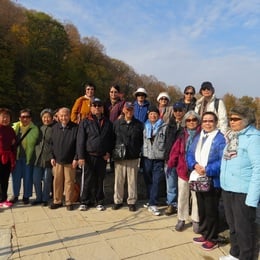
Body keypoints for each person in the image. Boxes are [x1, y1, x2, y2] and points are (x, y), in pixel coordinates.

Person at [220, 106, 260, 260]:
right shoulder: (233, 136)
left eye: (235, 119)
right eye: (230, 118)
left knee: (244, 230)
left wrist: (252, 198)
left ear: (246, 120)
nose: (231, 121)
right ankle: (234, 253)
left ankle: (246, 257)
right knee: (233, 226)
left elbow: (258, 168)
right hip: (228, 188)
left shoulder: (254, 138)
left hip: (243, 192)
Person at [187, 111, 226, 251]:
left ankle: (213, 238)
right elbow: (190, 154)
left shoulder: (220, 139)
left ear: (215, 123)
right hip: (199, 178)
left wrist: (207, 169)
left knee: (211, 210)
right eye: (205, 121)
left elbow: (222, 160)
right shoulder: (199, 136)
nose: (207, 123)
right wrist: (194, 165)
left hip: (212, 180)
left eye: (210, 121)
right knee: (202, 209)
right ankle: (205, 233)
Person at [77, 98, 114, 211]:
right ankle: (84, 201)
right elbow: (80, 140)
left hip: (102, 156)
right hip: (88, 155)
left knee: (100, 179)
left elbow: (111, 139)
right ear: (91, 107)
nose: (97, 108)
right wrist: (81, 156)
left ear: (102, 108)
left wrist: (108, 153)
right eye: (95, 105)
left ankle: (99, 201)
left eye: (99, 105)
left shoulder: (108, 122)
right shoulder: (85, 121)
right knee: (87, 179)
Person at [167, 111, 201, 232]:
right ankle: (181, 218)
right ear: (185, 122)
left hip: (197, 172)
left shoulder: (202, 135)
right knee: (182, 196)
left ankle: (196, 219)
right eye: (188, 120)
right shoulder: (182, 135)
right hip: (182, 170)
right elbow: (175, 151)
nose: (191, 122)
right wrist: (171, 164)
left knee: (196, 196)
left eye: (194, 120)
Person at [112, 102, 143, 212]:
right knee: (119, 180)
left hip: (133, 156)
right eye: (127, 109)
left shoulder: (139, 124)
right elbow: (112, 139)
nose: (129, 112)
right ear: (124, 110)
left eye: (131, 110)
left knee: (132, 181)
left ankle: (132, 201)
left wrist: (137, 151)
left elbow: (141, 141)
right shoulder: (117, 123)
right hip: (119, 157)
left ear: (133, 111)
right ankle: (118, 201)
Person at [50, 107, 78, 211]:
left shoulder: (75, 128)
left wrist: (76, 158)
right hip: (57, 160)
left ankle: (69, 202)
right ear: (58, 116)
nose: (63, 117)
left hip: (70, 161)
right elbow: (51, 144)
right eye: (61, 115)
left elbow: (78, 144)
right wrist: (52, 156)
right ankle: (57, 201)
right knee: (57, 181)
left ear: (69, 115)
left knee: (69, 182)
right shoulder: (54, 128)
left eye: (65, 115)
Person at [142, 106, 168, 216]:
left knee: (156, 180)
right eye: (151, 114)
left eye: (155, 114)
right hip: (147, 156)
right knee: (148, 180)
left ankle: (154, 203)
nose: (153, 116)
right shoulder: (145, 126)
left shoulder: (164, 127)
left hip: (158, 158)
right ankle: (150, 199)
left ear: (158, 115)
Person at [10, 109, 39, 204]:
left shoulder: (35, 129)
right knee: (16, 177)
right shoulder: (14, 127)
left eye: (27, 117)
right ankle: (15, 195)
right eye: (23, 117)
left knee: (28, 177)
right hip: (16, 157)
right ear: (19, 118)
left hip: (28, 157)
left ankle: (26, 196)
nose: (25, 119)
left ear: (30, 118)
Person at [164, 102, 186, 216]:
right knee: (171, 184)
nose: (178, 112)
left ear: (184, 111)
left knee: (182, 184)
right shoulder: (170, 124)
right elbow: (166, 141)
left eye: (180, 110)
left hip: (182, 159)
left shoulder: (187, 124)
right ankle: (171, 204)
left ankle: (182, 205)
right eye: (176, 110)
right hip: (170, 158)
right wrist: (166, 156)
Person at [31, 109, 54, 207]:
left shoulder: (55, 128)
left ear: (52, 118)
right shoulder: (38, 128)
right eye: (44, 117)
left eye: (48, 117)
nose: (46, 119)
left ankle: (45, 198)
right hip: (37, 158)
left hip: (48, 158)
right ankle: (38, 197)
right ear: (41, 118)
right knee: (36, 179)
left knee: (47, 179)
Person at [104, 84, 125, 173]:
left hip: (117, 130)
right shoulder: (105, 103)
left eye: (115, 92)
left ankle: (113, 167)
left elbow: (122, 115)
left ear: (118, 93)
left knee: (115, 148)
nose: (113, 94)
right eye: (111, 92)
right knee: (105, 148)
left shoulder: (122, 103)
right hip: (106, 129)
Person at [0, 108, 16, 208]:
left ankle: (3, 199)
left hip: (7, 157)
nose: (5, 119)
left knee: (5, 179)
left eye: (7, 117)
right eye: (3, 117)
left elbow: (13, 143)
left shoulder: (11, 130)